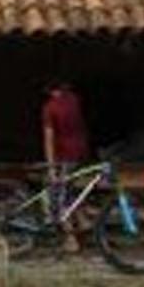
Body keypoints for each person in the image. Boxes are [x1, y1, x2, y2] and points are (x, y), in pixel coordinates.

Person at [40, 79, 90, 244]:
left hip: (64, 157)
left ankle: (71, 238)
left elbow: (49, 138)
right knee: (72, 191)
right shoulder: (74, 100)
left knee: (60, 197)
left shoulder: (50, 108)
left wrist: (51, 166)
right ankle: (83, 222)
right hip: (80, 154)